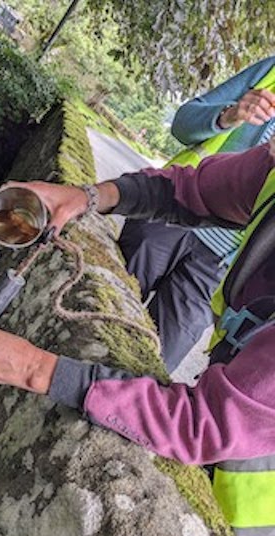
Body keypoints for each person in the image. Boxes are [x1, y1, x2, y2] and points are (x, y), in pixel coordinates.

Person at [0, 137, 275, 536]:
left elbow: (199, 423)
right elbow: (189, 191)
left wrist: (29, 364)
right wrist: (87, 196)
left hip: (245, 514)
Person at [118, 56, 275, 372]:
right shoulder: (271, 72)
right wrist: (231, 114)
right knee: (98, 305)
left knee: (145, 372)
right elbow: (183, 122)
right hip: (169, 217)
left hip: (217, 269)